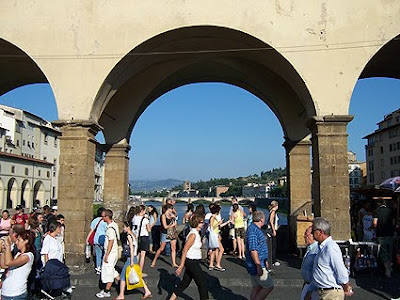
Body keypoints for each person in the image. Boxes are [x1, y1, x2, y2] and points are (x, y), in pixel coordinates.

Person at [311, 217, 353, 299]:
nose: (312, 234)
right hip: (322, 292)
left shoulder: (331, 247)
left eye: (313, 231)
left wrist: (346, 286)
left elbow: (340, 269)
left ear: (320, 232)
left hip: (331, 293)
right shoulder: (322, 247)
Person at [169, 214, 208, 300]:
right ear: (196, 223)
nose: (203, 224)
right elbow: (184, 250)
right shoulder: (193, 235)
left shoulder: (196, 233)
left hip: (194, 261)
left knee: (185, 283)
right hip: (191, 261)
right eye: (201, 222)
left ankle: (172, 298)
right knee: (202, 283)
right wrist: (181, 266)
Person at [114, 221, 152, 300]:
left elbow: (131, 249)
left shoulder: (129, 236)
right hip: (134, 257)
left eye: (124, 227)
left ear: (128, 227)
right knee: (136, 274)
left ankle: (121, 295)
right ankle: (147, 291)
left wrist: (131, 260)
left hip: (130, 258)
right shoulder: (133, 235)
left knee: (123, 276)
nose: (123, 229)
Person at [245, 211, 274, 300]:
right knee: (269, 286)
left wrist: (265, 261)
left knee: (257, 287)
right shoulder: (253, 231)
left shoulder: (254, 229)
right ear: (261, 220)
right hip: (257, 264)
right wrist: (258, 265)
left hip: (260, 262)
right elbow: (253, 250)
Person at [0, 229, 35, 300]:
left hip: (16, 294)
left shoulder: (28, 256)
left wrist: (8, 246)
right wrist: (3, 251)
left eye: (19, 240)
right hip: (6, 293)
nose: (16, 242)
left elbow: (9, 262)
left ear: (26, 241)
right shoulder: (18, 254)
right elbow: (4, 265)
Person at [97, 209, 120, 298]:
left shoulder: (110, 228)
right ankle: (123, 282)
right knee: (111, 270)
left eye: (103, 216)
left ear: (107, 217)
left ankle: (107, 290)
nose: (102, 217)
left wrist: (106, 254)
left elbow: (111, 242)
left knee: (108, 271)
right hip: (114, 251)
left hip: (110, 252)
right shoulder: (114, 225)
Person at [151, 204, 178, 268]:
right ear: (166, 209)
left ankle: (174, 263)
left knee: (173, 248)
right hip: (165, 233)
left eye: (171, 209)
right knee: (161, 248)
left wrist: (174, 218)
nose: (171, 210)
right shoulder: (163, 216)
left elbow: (176, 226)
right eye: (170, 209)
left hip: (172, 232)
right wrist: (171, 225)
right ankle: (154, 260)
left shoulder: (172, 216)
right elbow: (165, 226)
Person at [373, 199, 395, 278]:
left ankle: (387, 269)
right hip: (390, 233)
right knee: (390, 250)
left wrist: (373, 229)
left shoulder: (376, 211)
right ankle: (390, 266)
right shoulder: (390, 211)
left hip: (381, 234)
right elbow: (393, 222)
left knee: (383, 251)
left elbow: (375, 223)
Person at [208, 204, 230, 271]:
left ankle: (211, 265)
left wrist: (227, 222)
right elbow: (211, 228)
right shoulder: (212, 217)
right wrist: (218, 223)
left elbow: (220, 226)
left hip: (216, 234)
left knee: (214, 250)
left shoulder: (215, 217)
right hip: (214, 235)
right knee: (222, 250)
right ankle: (218, 264)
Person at [86, 207, 107, 275]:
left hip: (96, 239)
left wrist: (87, 239)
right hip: (104, 239)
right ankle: (104, 267)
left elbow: (91, 230)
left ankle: (98, 268)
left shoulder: (95, 220)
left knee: (98, 254)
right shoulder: (105, 220)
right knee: (105, 253)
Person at [300, 226, 318, 300]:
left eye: (306, 235)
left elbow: (316, 272)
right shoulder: (310, 248)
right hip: (307, 285)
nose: (304, 236)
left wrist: (309, 291)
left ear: (313, 236)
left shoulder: (316, 250)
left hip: (313, 288)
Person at [132, 205, 151, 275]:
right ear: (142, 211)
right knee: (142, 255)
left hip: (136, 237)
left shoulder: (134, 218)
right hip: (143, 237)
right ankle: (140, 271)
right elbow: (149, 229)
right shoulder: (145, 220)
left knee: (136, 254)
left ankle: (134, 269)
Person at [267, 201, 280, 267]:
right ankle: (273, 260)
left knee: (272, 245)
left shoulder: (271, 211)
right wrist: (274, 230)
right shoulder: (273, 212)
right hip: (272, 230)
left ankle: (272, 260)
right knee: (273, 246)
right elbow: (271, 221)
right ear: (276, 206)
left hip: (271, 230)